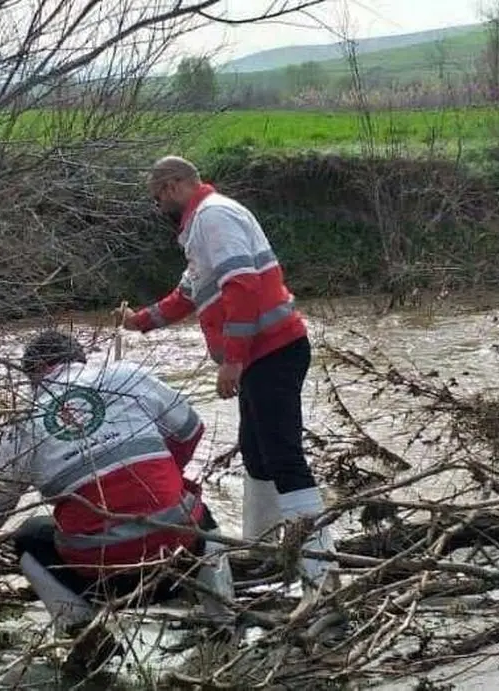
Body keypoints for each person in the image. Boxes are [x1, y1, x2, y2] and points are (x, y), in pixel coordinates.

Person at [115, 155, 337, 610]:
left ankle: (322, 574)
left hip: (272, 351)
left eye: (159, 199)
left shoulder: (214, 217)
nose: (160, 209)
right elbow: (188, 295)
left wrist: (231, 362)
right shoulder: (200, 227)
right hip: (263, 354)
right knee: (256, 455)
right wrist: (138, 323)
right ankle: (264, 554)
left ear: (174, 185)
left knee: (284, 457)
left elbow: (245, 289)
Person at [0, 330, 235, 675]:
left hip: (100, 576)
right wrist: (166, 471)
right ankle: (223, 619)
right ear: (78, 359)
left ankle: (87, 636)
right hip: (178, 559)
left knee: (28, 536)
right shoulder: (125, 375)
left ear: (34, 373)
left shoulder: (22, 422)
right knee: (195, 508)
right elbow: (191, 429)